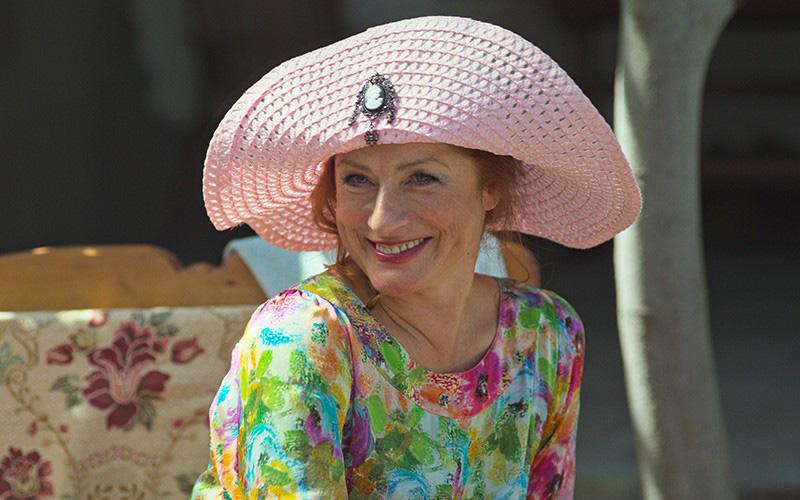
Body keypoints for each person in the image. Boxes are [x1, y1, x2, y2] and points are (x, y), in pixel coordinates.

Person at [192, 15, 641, 499]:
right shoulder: (303, 340)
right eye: (357, 180)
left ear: (490, 187)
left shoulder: (545, 334)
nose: (382, 220)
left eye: (422, 178)